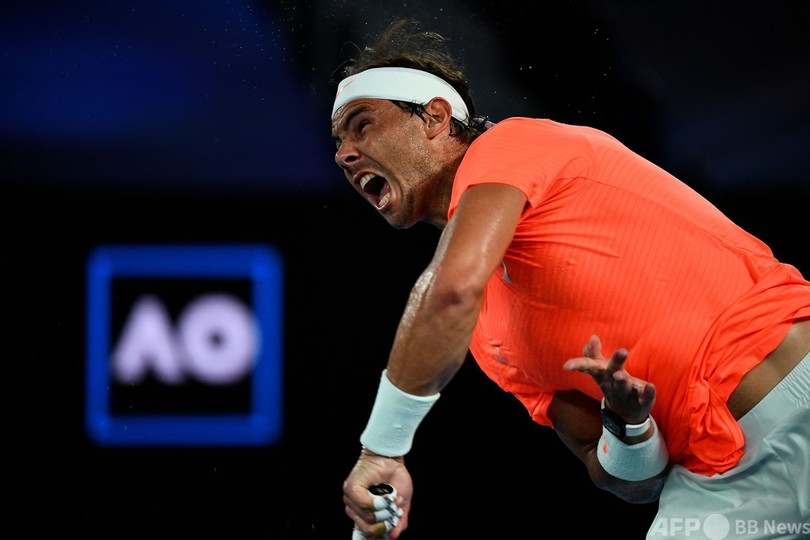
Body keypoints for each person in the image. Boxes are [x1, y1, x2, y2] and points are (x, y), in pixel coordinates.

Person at [330, 18, 810, 540]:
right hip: (719, 482)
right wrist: (628, 426)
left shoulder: (513, 144)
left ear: (435, 118)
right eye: (338, 142)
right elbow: (623, 479)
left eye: (362, 125)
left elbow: (449, 291)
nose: (343, 155)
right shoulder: (485, 332)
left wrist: (382, 449)